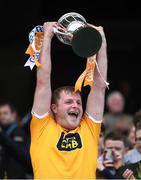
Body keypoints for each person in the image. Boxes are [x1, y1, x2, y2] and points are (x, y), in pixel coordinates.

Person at [30, 22, 108, 179]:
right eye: (69, 102)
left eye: (79, 102)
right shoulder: (42, 126)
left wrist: (101, 42)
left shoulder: (90, 128)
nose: (76, 106)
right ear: (54, 108)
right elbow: (43, 81)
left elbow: (99, 87)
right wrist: (47, 37)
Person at [0, 101, 31, 179]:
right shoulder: (5, 131)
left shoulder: (18, 131)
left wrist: (2, 135)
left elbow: (21, 152)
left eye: (5, 113)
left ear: (13, 115)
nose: (2, 116)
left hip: (17, 176)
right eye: (0, 113)